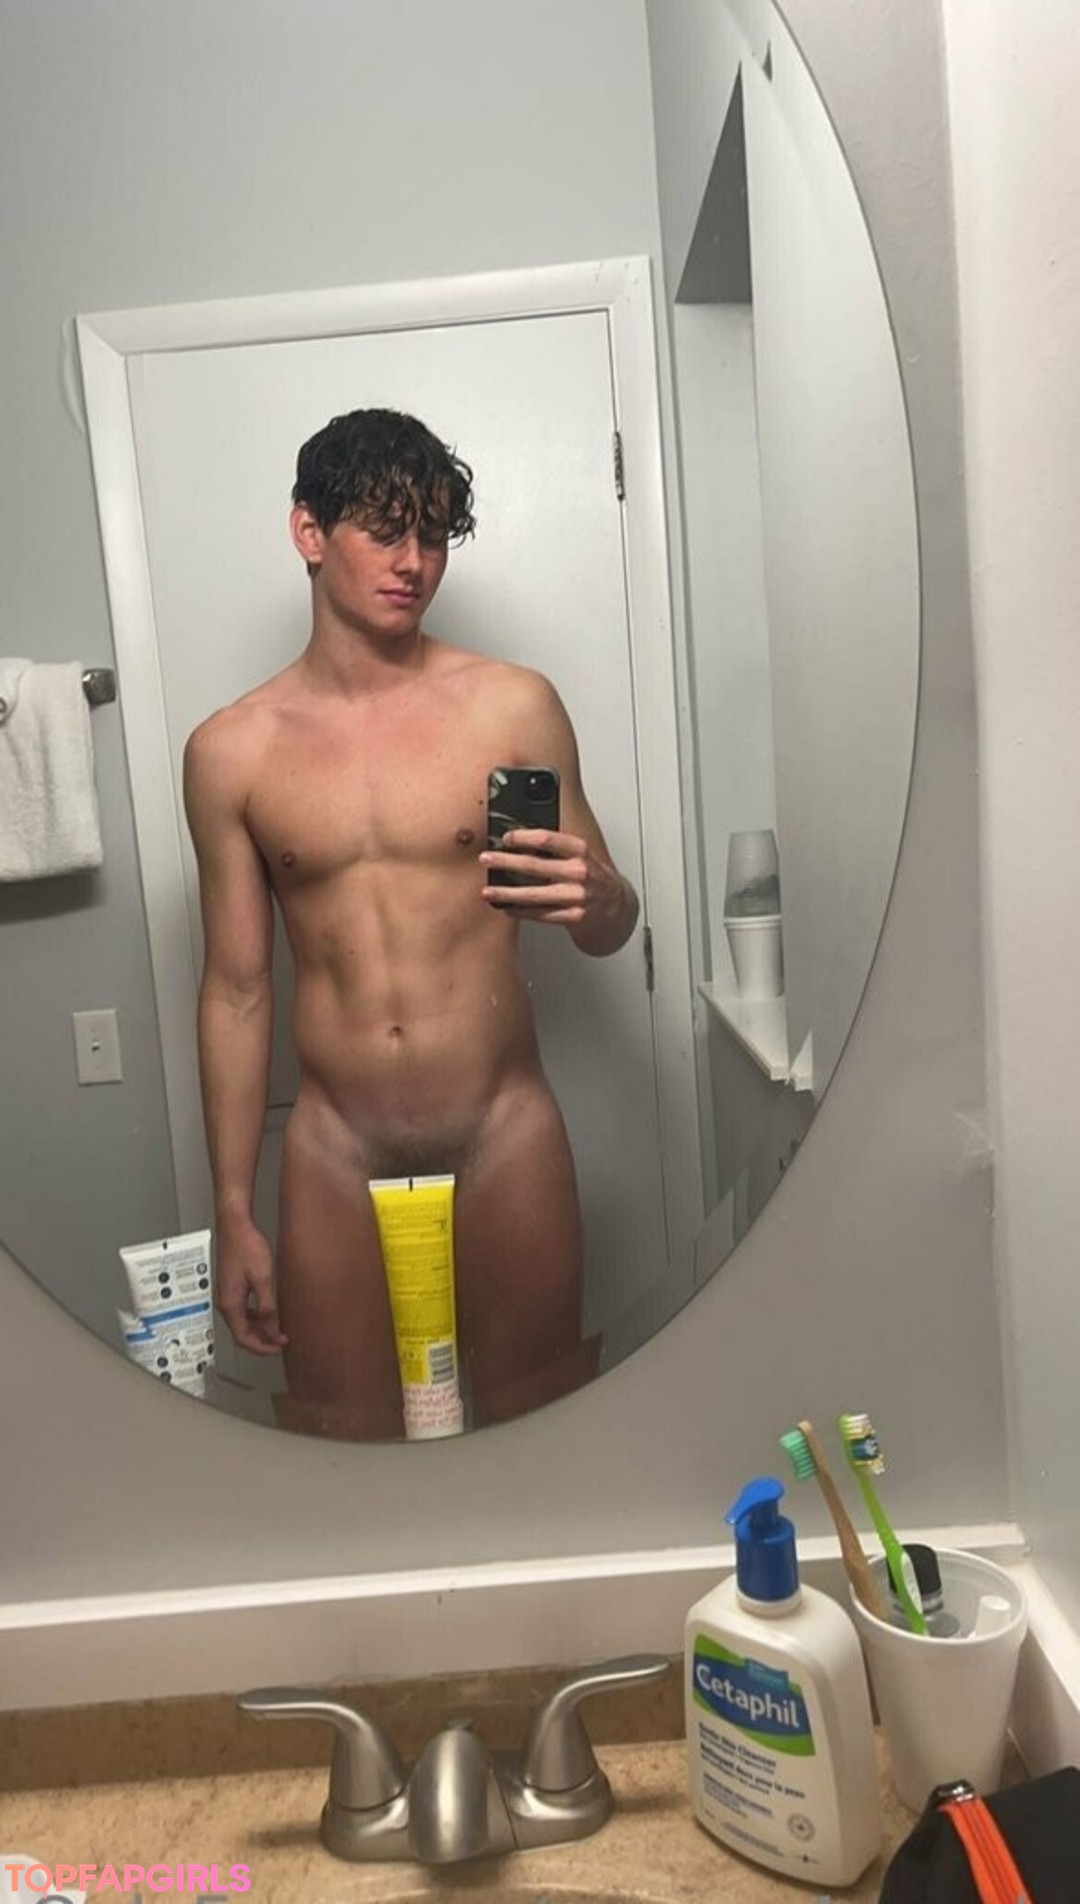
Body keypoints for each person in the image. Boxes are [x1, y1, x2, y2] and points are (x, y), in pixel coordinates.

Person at [183, 407, 639, 1439]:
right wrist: (232, 1207)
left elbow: (604, 924)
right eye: (386, 530)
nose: (414, 562)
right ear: (309, 531)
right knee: (342, 1440)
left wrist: (606, 899)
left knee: (538, 1426)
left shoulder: (509, 706)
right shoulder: (233, 751)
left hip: (502, 1125)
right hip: (334, 1145)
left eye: (433, 534)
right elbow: (238, 989)